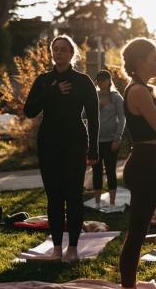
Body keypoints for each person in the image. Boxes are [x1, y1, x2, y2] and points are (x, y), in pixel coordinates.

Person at [23, 35, 99, 262]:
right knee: (54, 197)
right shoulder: (44, 80)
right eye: (55, 49)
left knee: (73, 196)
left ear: (71, 53)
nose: (58, 53)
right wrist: (52, 92)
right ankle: (57, 248)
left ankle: (73, 249)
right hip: (49, 144)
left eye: (63, 49)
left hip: (74, 144)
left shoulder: (83, 81)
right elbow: (29, 111)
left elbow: (94, 118)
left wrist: (93, 149)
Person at [118, 37, 156, 288]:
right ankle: (128, 285)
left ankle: (130, 282)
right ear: (140, 62)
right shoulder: (138, 91)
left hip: (148, 163)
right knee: (137, 232)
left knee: (139, 230)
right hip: (142, 164)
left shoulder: (143, 90)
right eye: (154, 59)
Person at [91, 70, 125, 208]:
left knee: (111, 171)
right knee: (96, 171)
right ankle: (97, 202)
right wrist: (95, 108)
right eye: (98, 80)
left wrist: (117, 138)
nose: (101, 82)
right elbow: (83, 115)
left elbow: (122, 119)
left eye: (103, 80)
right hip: (96, 141)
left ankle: (112, 203)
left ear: (109, 81)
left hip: (111, 141)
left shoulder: (116, 97)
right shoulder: (94, 96)